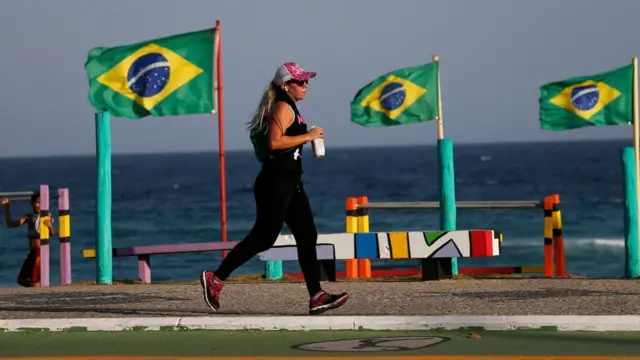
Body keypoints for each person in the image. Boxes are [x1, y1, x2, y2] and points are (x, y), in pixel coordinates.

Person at [200, 62, 349, 315]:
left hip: (291, 183)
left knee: (307, 234)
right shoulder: (282, 106)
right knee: (263, 237)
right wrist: (308, 136)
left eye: (306, 81)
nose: (305, 86)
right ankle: (215, 279)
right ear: (285, 85)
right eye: (300, 82)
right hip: (275, 183)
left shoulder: (291, 107)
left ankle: (316, 296)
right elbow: (274, 142)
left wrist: (308, 138)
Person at [1, 191, 55, 287]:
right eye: (37, 202)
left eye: (42, 202)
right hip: (32, 252)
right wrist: (7, 208)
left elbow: (52, 234)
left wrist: (50, 226)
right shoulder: (28, 217)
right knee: (21, 280)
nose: (39, 205)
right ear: (32, 203)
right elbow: (11, 224)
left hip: (40, 252)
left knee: (34, 280)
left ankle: (39, 295)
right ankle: (39, 292)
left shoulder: (46, 216)